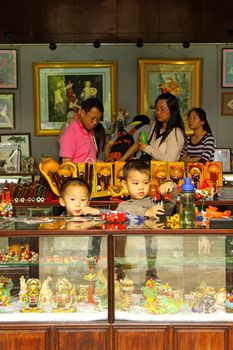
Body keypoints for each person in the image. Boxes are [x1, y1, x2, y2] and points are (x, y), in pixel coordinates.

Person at [119, 93, 185, 162]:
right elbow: (139, 144)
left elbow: (169, 159)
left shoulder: (176, 132)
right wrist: (122, 160)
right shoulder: (155, 126)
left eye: (162, 109)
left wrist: (147, 148)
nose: (158, 112)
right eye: (156, 109)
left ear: (172, 111)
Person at [59, 97, 104, 163]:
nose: (95, 122)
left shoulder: (90, 130)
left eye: (98, 120)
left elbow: (86, 158)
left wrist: (98, 163)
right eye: (92, 118)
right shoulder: (70, 133)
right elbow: (67, 164)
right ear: (82, 113)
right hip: (78, 173)